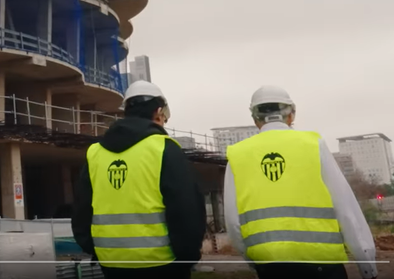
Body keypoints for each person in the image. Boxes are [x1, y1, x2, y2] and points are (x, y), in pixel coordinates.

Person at [224, 86, 377, 279]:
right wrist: (367, 266)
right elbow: (346, 208)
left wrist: (254, 261)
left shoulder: (237, 155)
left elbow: (232, 221)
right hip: (323, 268)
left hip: (271, 268)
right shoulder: (313, 145)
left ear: (255, 118)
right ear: (291, 115)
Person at [72, 81, 206, 279]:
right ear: (159, 112)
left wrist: (94, 248)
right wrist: (188, 256)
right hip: (162, 263)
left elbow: (82, 208)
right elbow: (186, 208)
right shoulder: (164, 148)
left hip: (111, 262)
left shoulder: (95, 153)